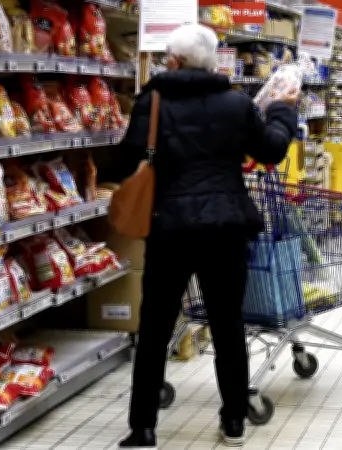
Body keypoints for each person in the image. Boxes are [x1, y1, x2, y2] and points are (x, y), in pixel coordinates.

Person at [109, 24, 298, 449]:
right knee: (228, 325)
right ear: (213, 62)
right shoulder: (236, 103)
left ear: (174, 61)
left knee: (155, 327)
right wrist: (283, 111)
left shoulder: (153, 101)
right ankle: (234, 422)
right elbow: (271, 150)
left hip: (169, 228)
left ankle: (143, 428)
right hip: (225, 228)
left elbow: (124, 161)